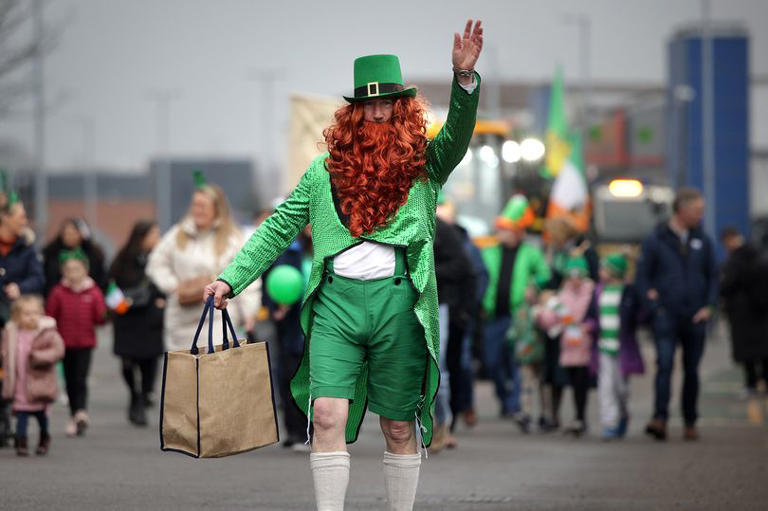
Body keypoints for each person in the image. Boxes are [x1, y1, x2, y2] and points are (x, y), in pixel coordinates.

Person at [206, 20, 483, 511]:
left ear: (401, 110)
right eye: (367, 105)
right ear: (353, 115)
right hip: (336, 304)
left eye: (386, 104)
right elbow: (277, 228)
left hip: (401, 304)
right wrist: (232, 277)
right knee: (328, 415)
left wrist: (464, 82)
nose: (376, 114)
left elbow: (458, 137)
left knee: (399, 424)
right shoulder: (322, 172)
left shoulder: (426, 166)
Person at [636, 187, 718, 441]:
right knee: (665, 365)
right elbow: (642, 278)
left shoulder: (702, 240)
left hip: (695, 316)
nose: (701, 215)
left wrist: (709, 306)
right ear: (681, 210)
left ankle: (690, 420)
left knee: (692, 370)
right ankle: (660, 418)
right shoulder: (656, 239)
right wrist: (654, 307)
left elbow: (713, 276)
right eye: (697, 210)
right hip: (666, 316)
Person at [146, 175, 260, 352]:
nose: (198, 210)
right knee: (183, 372)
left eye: (203, 206)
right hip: (181, 319)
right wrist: (174, 286)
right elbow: (156, 264)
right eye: (195, 205)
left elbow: (246, 274)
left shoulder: (232, 239)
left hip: (217, 316)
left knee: (214, 369)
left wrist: (249, 312)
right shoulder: (177, 235)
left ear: (217, 209)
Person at [481, 195, 550, 422]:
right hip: (493, 316)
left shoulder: (530, 253)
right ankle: (504, 397)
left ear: (519, 231)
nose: (502, 233)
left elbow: (544, 275)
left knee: (517, 361)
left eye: (507, 229)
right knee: (492, 362)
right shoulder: (489, 252)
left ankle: (514, 404)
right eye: (501, 229)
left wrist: (535, 286)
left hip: (519, 316)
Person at [108, 221, 165, 426]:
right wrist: (115, 303)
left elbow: (166, 282)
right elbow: (110, 282)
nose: (157, 238)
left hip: (150, 316)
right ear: (141, 236)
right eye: (153, 234)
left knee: (150, 361)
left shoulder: (160, 258)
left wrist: (162, 301)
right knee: (127, 362)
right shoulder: (123, 258)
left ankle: (143, 397)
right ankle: (134, 394)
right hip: (127, 316)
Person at [45, 248, 107, 437]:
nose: (73, 273)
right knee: (70, 380)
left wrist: (108, 312)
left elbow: (100, 318)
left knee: (81, 378)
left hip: (86, 342)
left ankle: (81, 412)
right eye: (69, 269)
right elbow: (50, 316)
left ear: (85, 270)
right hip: (64, 343)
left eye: (77, 269)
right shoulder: (58, 292)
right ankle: (74, 414)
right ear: (64, 271)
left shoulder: (93, 291)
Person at [262, 226, 313, 449]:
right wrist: (275, 306)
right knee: (292, 375)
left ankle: (318, 430)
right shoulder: (288, 249)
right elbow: (271, 280)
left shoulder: (330, 244)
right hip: (293, 325)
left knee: (320, 381)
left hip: (324, 323)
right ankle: (295, 431)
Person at [0, 193, 44, 448]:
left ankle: (7, 417)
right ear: (5, 217)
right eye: (21, 216)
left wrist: (20, 287)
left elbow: (38, 278)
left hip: (13, 318)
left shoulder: (25, 247)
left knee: (12, 367)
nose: (25, 221)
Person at [536, 256, 595, 437]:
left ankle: (580, 417)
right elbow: (552, 318)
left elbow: (594, 316)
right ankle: (557, 416)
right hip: (567, 345)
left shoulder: (591, 293)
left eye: (578, 275)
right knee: (562, 380)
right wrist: (540, 314)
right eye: (571, 275)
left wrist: (589, 327)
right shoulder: (563, 294)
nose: (574, 279)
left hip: (585, 344)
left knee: (581, 383)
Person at [1, 295, 64, 456]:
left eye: (35, 313)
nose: (31, 317)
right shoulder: (12, 332)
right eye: (26, 314)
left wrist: (40, 356)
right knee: (21, 415)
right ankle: (21, 442)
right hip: (19, 383)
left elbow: (58, 350)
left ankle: (44, 436)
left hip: (40, 383)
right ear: (17, 316)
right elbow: (5, 352)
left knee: (41, 415)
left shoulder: (47, 332)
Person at [593, 253, 645, 440]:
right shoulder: (599, 291)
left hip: (623, 347)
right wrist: (589, 326)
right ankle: (609, 423)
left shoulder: (628, 291)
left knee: (621, 388)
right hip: (604, 345)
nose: (601, 272)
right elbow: (593, 315)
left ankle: (623, 412)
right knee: (606, 386)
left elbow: (639, 315)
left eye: (604, 268)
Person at [432, 214, 472, 451]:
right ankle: (416, 427)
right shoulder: (393, 217)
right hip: (403, 302)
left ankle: (443, 422)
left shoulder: (442, 229)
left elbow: (462, 266)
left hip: (437, 304)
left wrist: (426, 270)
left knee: (437, 362)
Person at [720, 227, 768, 420]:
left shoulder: (735, 260)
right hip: (762, 311)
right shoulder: (758, 255)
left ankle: (751, 384)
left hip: (743, 313)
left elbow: (727, 285)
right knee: (764, 350)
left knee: (747, 352)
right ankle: (764, 381)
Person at [42, 217, 108, 296]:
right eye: (66, 234)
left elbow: (101, 280)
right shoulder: (52, 254)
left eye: (73, 233)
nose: (69, 237)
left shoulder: (94, 256)